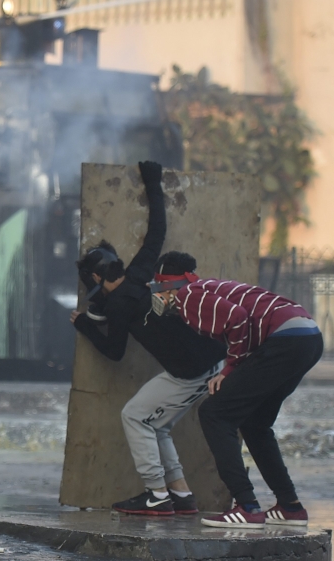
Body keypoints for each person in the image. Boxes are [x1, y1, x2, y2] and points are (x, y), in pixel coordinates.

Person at [71, 161, 227, 516]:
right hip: (212, 362)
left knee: (133, 416)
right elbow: (157, 229)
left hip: (189, 373)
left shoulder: (118, 307)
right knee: (156, 424)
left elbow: (114, 352)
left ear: (95, 278)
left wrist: (85, 326)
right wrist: (152, 181)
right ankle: (181, 495)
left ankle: (157, 494)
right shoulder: (139, 273)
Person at [149, 251, 322, 528]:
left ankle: (247, 507)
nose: (157, 296)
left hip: (285, 339)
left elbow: (237, 318)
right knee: (255, 423)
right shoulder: (209, 287)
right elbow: (246, 322)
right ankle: (290, 507)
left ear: (167, 286)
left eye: (158, 288)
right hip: (308, 337)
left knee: (214, 413)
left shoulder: (188, 295)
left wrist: (230, 369)